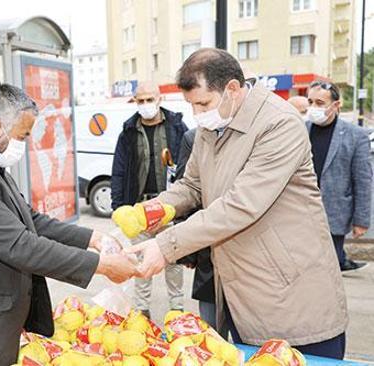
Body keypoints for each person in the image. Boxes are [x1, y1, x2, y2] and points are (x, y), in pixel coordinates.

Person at [128, 48, 348, 359]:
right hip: (240, 292)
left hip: (290, 293)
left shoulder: (279, 124)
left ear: (232, 88)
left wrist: (166, 246)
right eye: (192, 106)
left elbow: (241, 205)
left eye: (203, 103)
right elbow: (192, 185)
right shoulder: (211, 126)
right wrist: (153, 209)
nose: (198, 115)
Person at [0, 83, 138, 366]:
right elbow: (21, 245)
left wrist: (93, 238)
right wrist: (100, 265)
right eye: (23, 135)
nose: (25, 143)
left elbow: (31, 221)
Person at [111, 81, 188, 318]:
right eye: (140, 100)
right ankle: (142, 311)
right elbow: (119, 170)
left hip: (169, 207)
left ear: (159, 98)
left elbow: (188, 166)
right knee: (141, 261)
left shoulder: (177, 126)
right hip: (139, 208)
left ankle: (177, 309)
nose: (145, 104)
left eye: (149, 99)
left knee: (173, 260)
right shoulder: (128, 131)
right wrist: (118, 207)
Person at [306, 80, 372, 272]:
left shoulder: (355, 136)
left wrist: (361, 220)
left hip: (334, 215)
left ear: (336, 105)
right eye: (310, 102)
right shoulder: (301, 130)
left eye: (319, 103)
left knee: (329, 271)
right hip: (302, 213)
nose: (313, 108)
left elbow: (363, 180)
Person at [173, 128, 225, 337]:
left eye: (203, 104)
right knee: (211, 332)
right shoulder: (193, 137)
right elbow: (187, 190)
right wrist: (186, 250)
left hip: (248, 253)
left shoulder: (256, 133)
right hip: (208, 249)